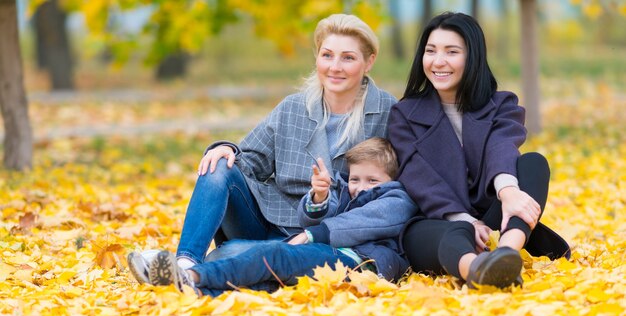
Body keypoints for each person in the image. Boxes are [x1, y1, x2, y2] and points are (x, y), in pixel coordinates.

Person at [127, 14, 397, 283]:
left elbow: (395, 191)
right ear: (317, 58)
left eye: (348, 58)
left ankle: (199, 271)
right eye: (327, 55)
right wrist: (226, 149)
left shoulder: (387, 112)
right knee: (219, 165)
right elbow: (250, 160)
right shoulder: (293, 107)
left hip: (325, 237)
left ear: (369, 61)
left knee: (227, 255)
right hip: (266, 218)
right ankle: (185, 262)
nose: (335, 67)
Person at [388, 12, 570, 289]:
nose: (438, 61)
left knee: (533, 163)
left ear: (472, 57)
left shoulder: (501, 105)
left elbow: (501, 146)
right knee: (452, 232)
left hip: (498, 216)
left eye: (452, 52)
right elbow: (416, 175)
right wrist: (466, 220)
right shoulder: (404, 114)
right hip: (438, 219)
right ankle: (478, 270)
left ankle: (506, 253)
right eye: (430, 51)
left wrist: (508, 194)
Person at [138, 138, 417, 297]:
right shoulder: (347, 196)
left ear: (390, 179)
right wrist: (318, 199)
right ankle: (197, 292)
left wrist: (311, 235)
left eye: (372, 179)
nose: (360, 186)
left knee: (274, 255)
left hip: (360, 264)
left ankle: (191, 275)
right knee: (272, 282)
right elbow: (318, 219)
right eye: (355, 178)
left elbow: (367, 221)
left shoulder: (397, 198)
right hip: (329, 256)